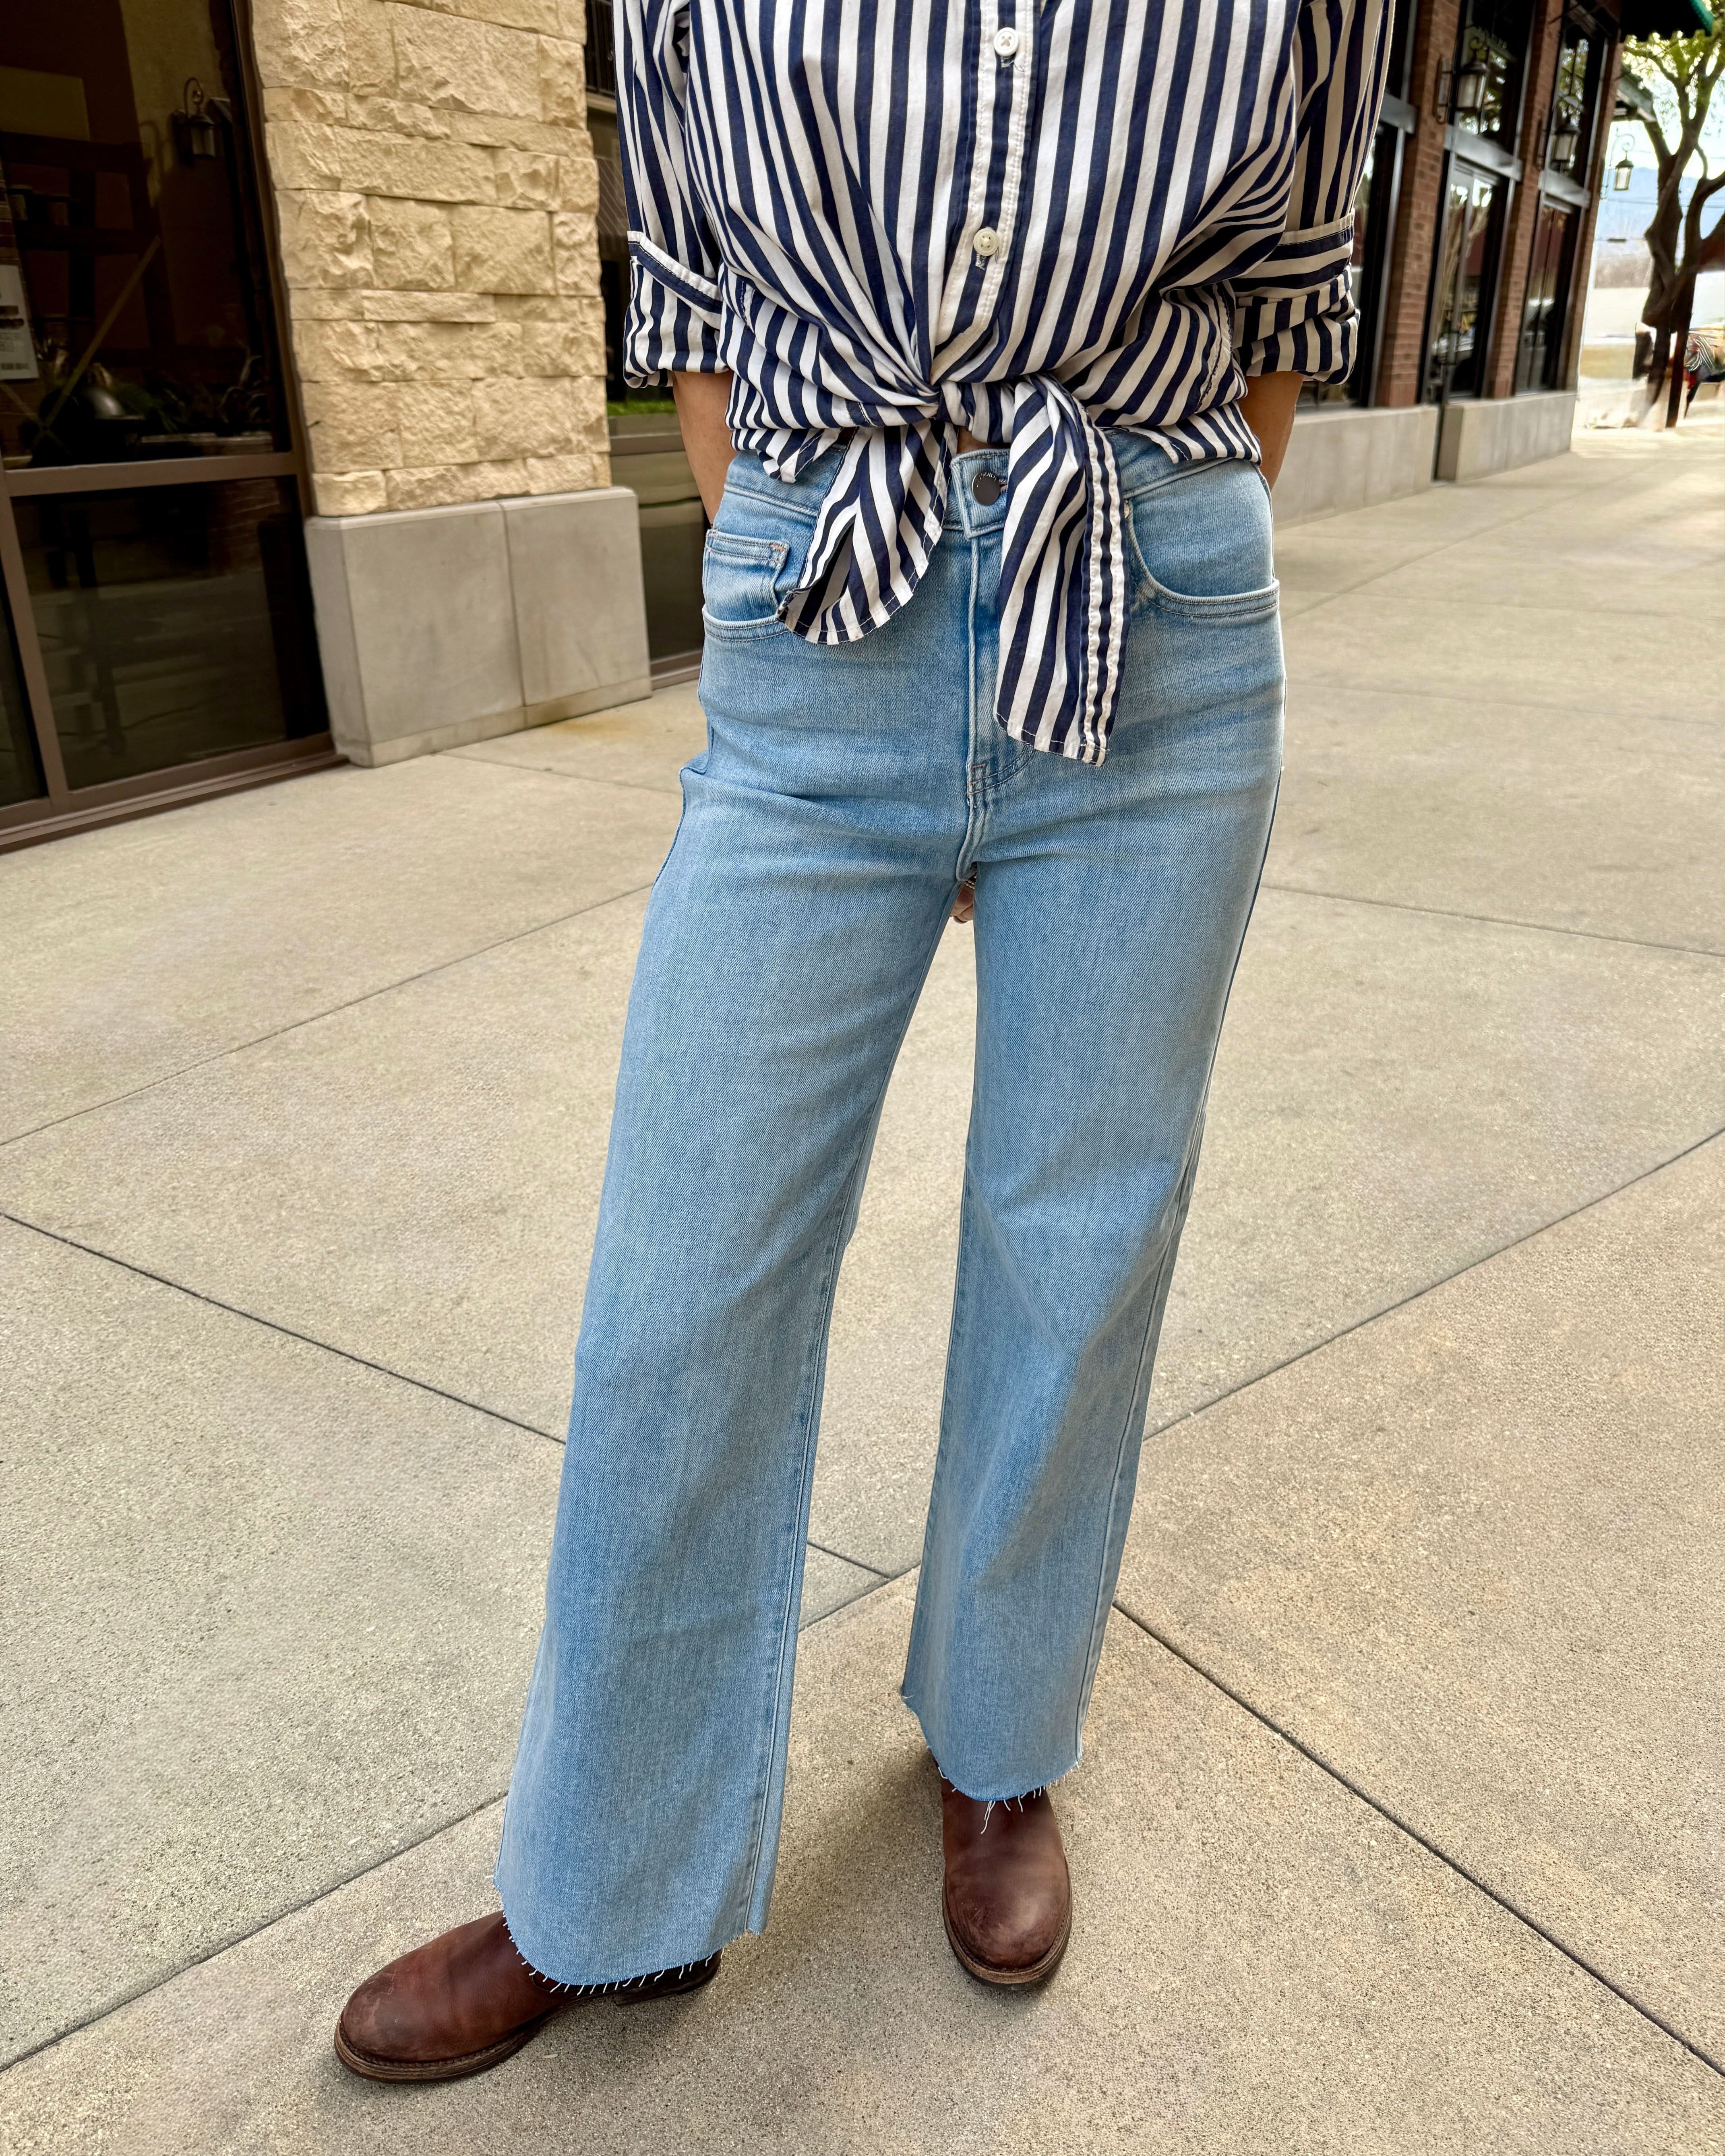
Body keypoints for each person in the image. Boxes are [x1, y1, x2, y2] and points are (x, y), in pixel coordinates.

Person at [334, 0, 1388, 2082]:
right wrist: (810, 607)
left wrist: (1093, 614)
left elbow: (1282, 309)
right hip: (824, 591)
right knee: (682, 1286)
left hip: (1150, 603)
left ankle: (998, 1743)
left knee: (1076, 1236)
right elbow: (693, 291)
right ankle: (611, 1883)